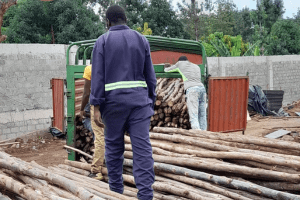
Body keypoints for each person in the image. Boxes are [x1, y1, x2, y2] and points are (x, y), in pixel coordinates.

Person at [90, 5, 156, 200]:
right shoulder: (141, 39)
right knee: (142, 149)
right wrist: (150, 100)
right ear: (125, 20)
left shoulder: (103, 41)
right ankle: (145, 194)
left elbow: (97, 77)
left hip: (113, 104)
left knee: (113, 148)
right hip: (139, 104)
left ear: (108, 22)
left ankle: (116, 192)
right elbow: (150, 77)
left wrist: (96, 105)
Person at [164, 56, 207, 130]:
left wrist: (166, 67)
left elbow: (167, 70)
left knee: (194, 114)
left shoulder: (180, 64)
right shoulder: (196, 66)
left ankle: (197, 133)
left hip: (192, 90)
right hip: (202, 89)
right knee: (202, 114)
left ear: (179, 61)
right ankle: (204, 132)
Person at [79, 64, 105, 181]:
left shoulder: (90, 68)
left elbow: (86, 93)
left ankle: (96, 171)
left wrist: (81, 109)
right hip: (114, 104)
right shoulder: (113, 66)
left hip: (97, 105)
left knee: (99, 137)